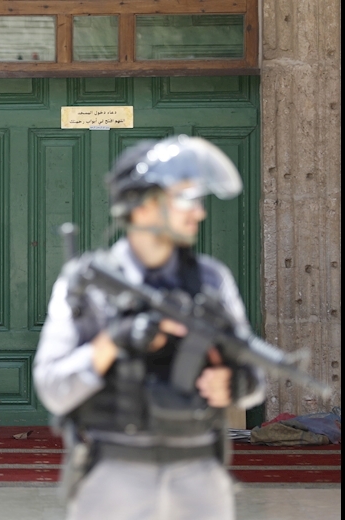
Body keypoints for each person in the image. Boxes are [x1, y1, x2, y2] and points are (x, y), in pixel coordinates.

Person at [33, 135, 266, 520]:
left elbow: (255, 377)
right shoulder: (89, 284)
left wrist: (236, 383)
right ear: (142, 207)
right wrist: (112, 341)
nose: (199, 212)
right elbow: (53, 389)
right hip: (113, 478)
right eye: (185, 199)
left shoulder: (212, 280)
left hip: (199, 477)